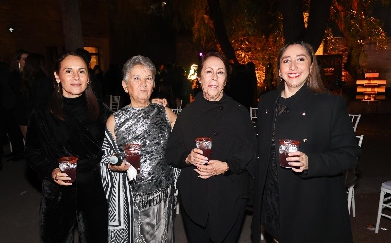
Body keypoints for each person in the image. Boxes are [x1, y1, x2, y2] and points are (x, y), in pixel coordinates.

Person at [251, 42, 361, 243]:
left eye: (300, 59)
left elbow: (349, 154)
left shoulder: (329, 104)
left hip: (309, 203)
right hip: (273, 199)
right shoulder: (267, 101)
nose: (293, 67)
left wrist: (312, 162)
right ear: (279, 69)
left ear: (311, 68)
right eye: (286, 61)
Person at [165, 51, 256, 243]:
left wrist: (227, 166)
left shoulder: (239, 112)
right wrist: (188, 158)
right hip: (194, 197)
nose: (214, 77)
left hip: (229, 197)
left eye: (220, 72)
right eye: (209, 71)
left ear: (225, 80)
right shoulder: (187, 114)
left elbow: (250, 151)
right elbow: (171, 152)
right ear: (199, 78)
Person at [24, 52, 111, 242]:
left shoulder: (101, 110)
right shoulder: (42, 113)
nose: (76, 77)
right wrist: (51, 171)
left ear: (88, 77)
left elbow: (123, 132)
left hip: (93, 186)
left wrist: (152, 106)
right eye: (68, 71)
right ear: (57, 76)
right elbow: (31, 151)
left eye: (82, 71)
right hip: (58, 190)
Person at [103, 55, 177, 242]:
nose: (143, 84)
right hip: (130, 201)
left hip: (162, 198)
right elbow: (106, 159)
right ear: (125, 85)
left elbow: (184, 143)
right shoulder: (114, 121)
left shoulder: (165, 113)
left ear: (153, 85)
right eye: (136, 78)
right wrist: (115, 164)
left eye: (148, 78)